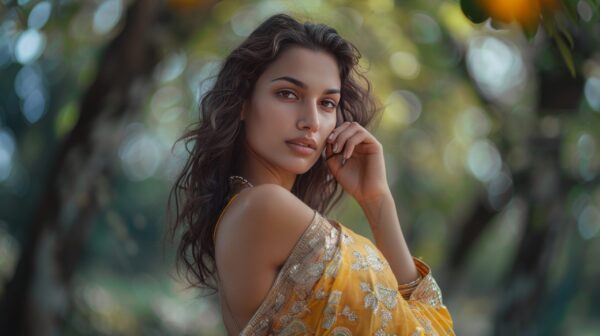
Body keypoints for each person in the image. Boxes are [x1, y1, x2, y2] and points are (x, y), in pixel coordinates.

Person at [168, 13, 454, 335]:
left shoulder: (246, 210)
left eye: (327, 103)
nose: (312, 121)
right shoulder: (265, 208)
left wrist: (375, 198)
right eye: (288, 94)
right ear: (242, 103)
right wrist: (379, 205)